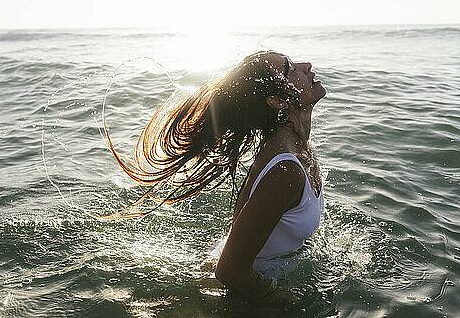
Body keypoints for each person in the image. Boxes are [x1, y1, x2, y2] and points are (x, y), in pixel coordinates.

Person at [103, 50, 326, 301]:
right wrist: (279, 298)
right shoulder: (285, 172)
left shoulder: (300, 148)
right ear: (276, 100)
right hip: (236, 292)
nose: (305, 65)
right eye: (290, 70)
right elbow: (230, 272)